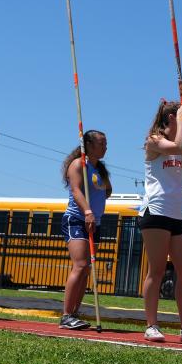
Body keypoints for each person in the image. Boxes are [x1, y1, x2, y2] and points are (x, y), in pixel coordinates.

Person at [139, 99, 182, 344]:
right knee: (156, 270)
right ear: (170, 119)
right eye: (178, 119)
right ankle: (151, 325)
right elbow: (178, 145)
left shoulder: (180, 142)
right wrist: (181, 119)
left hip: (176, 215)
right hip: (156, 212)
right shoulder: (154, 141)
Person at [59, 130, 111, 330]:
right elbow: (76, 190)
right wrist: (88, 210)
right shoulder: (78, 164)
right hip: (77, 219)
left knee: (86, 269)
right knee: (80, 265)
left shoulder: (100, 169)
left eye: (106, 144)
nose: (105, 147)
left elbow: (107, 190)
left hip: (94, 222)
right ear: (89, 145)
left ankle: (74, 313)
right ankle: (66, 315)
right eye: (102, 143)